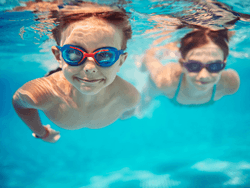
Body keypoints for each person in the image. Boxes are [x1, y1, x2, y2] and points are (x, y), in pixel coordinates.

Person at [12, 1, 140, 143]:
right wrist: (42, 133)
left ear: (121, 61)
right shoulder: (42, 94)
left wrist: (126, 113)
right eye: (73, 53)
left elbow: (130, 110)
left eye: (105, 55)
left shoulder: (129, 97)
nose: (89, 67)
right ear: (58, 56)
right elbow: (19, 102)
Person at [138, 28, 239, 111]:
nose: (204, 75)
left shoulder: (230, 83)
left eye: (214, 66)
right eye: (194, 66)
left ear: (224, 65)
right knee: (147, 98)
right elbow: (148, 58)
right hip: (158, 85)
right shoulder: (166, 80)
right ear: (182, 65)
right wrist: (142, 67)